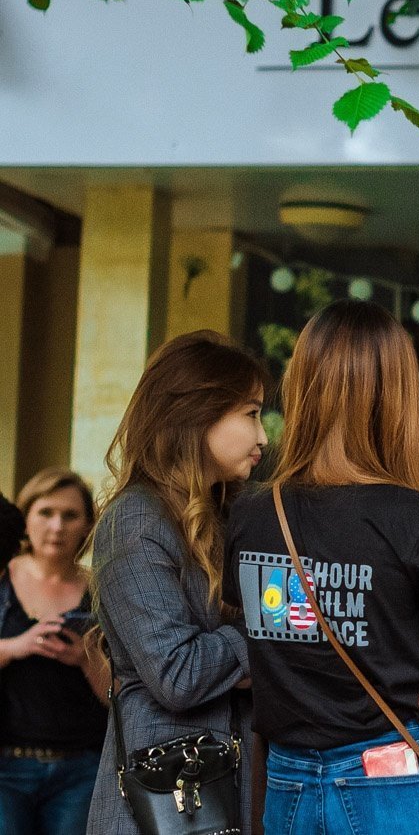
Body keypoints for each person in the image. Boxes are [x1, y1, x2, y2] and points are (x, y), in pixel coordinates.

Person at [224, 299, 419, 835]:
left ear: (303, 389)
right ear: (398, 398)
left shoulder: (251, 514)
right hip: (392, 778)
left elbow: (256, 639)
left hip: (287, 780)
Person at [88, 330, 269, 834]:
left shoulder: (229, 513)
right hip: (166, 803)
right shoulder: (136, 518)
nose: (263, 437)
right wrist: (268, 633)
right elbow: (178, 674)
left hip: (228, 790)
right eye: (251, 414)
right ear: (198, 414)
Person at [0, 468, 109, 834]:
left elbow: (119, 694)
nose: (57, 526)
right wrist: (16, 646)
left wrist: (86, 659)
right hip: (6, 764)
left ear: (87, 525)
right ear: (26, 516)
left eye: (70, 515)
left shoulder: (99, 589)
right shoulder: (2, 577)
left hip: (81, 768)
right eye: (46, 512)